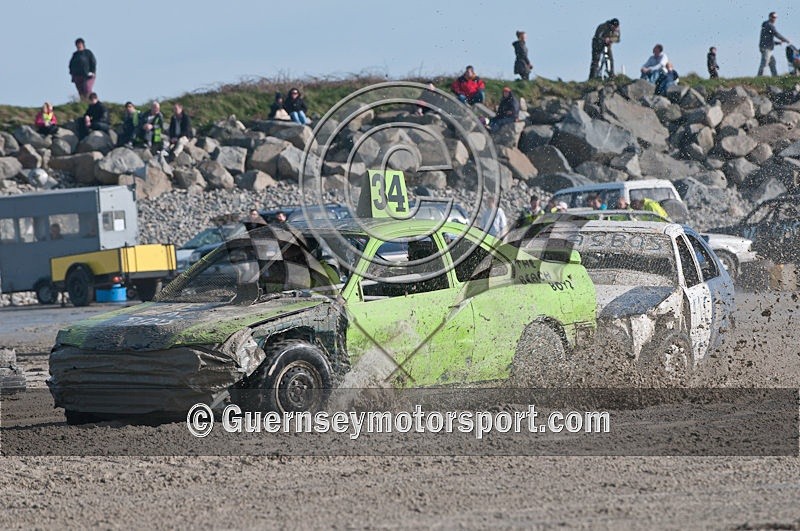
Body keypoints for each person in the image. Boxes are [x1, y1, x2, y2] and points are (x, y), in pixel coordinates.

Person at [758, 12, 790, 77]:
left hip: (766, 47)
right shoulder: (769, 25)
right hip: (766, 48)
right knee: (765, 63)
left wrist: (777, 43)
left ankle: (775, 77)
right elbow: (776, 34)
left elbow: (768, 39)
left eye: (775, 17)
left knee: (772, 62)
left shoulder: (766, 25)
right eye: (773, 17)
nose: (774, 19)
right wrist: (786, 40)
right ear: (769, 17)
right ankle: (759, 77)